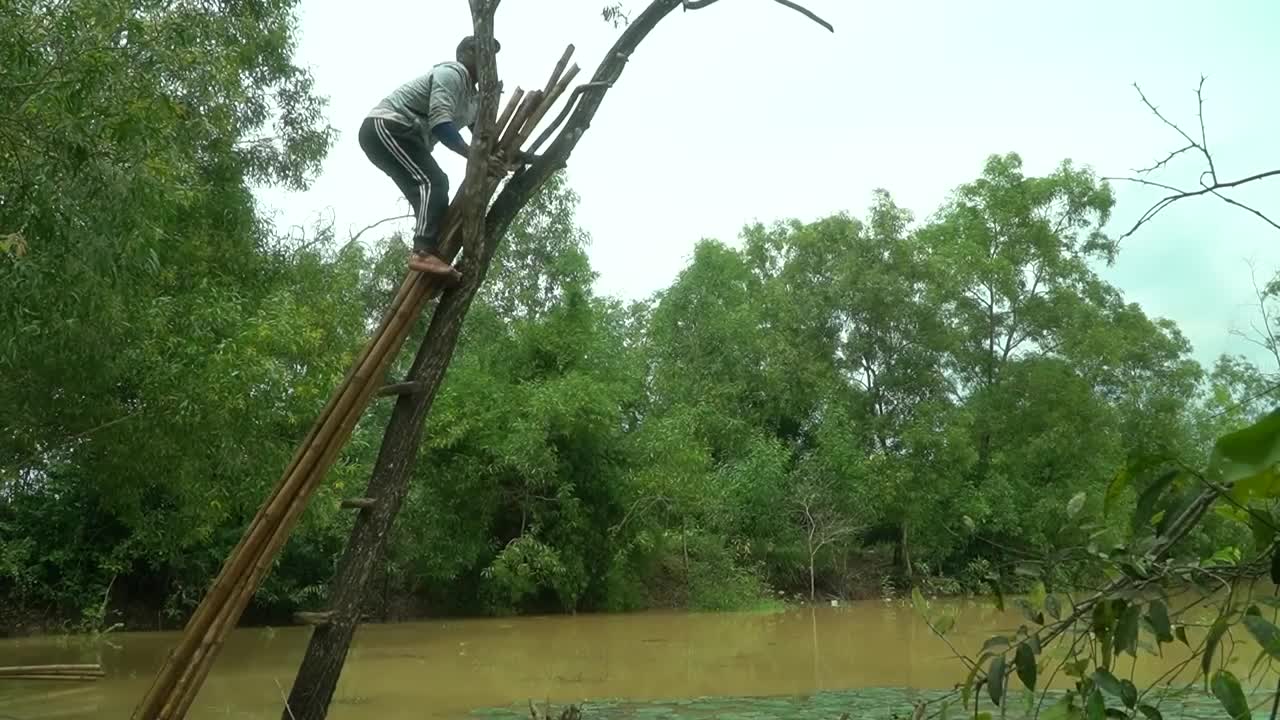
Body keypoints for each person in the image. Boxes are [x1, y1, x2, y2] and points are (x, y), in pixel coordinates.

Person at [358, 35, 515, 281]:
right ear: (464, 54)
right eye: (482, 52)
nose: (489, 61)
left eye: (493, 56)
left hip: (406, 136)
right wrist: (476, 159)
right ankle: (422, 253)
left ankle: (428, 261)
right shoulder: (452, 74)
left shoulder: (473, 99)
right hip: (388, 126)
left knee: (432, 199)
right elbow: (441, 124)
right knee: (434, 183)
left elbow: (483, 140)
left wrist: (512, 156)